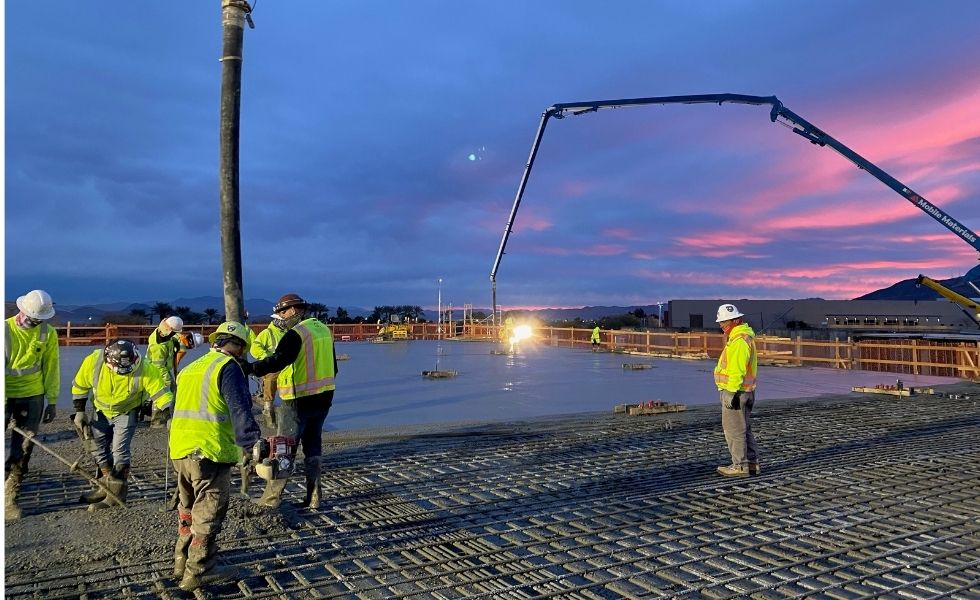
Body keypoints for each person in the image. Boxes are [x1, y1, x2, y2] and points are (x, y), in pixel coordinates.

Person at [168, 321, 260, 592]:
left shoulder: (190, 368)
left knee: (187, 507)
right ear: (241, 348)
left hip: (180, 449)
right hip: (208, 452)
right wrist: (254, 447)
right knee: (209, 510)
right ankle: (200, 569)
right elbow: (240, 411)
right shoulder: (228, 368)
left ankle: (181, 559)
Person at [248, 293, 337, 510]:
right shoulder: (323, 329)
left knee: (283, 448)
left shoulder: (296, 334)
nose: (280, 317)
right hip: (324, 399)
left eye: (282, 312)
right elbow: (334, 367)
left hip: (297, 401)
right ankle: (314, 497)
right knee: (313, 446)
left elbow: (278, 361)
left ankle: (271, 499)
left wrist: (250, 368)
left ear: (294, 310)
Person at [71, 339, 174, 508]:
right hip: (101, 410)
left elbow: (161, 393)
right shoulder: (94, 361)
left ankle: (116, 497)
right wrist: (79, 411)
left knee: (120, 451)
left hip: (127, 411)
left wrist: (170, 415)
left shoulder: (146, 368)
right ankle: (105, 487)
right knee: (97, 449)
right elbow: (80, 385)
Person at [4, 289, 60, 520]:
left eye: (39, 319)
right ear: (22, 310)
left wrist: (52, 401)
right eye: (32, 317)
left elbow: (51, 367)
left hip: (33, 396)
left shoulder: (48, 333)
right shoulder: (5, 329)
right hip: (5, 394)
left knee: (25, 446)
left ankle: (10, 492)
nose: (35, 322)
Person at [713, 303, 760, 477]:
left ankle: (739, 466)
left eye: (724, 322)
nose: (721, 325)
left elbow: (737, 369)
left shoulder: (739, 340)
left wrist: (730, 392)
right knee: (744, 428)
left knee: (734, 430)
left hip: (737, 392)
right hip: (744, 391)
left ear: (735, 320)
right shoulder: (740, 338)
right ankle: (752, 464)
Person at [250, 314, 288, 427]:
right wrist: (268, 359)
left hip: (286, 367)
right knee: (269, 388)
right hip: (273, 368)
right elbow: (255, 348)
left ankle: (287, 418)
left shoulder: (288, 333)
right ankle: (269, 417)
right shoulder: (268, 333)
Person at [148, 315, 184, 427]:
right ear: (169, 330)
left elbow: (174, 337)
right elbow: (158, 366)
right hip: (156, 370)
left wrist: (181, 340)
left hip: (164, 368)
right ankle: (157, 421)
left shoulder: (163, 333)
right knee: (161, 393)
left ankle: (169, 414)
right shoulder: (158, 346)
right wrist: (166, 380)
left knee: (172, 389)